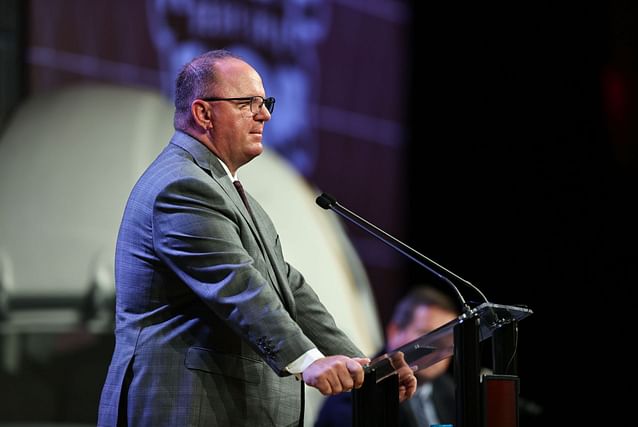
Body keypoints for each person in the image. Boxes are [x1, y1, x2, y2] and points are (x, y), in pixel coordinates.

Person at [96, 49, 416, 427]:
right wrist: (309, 361)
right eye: (247, 103)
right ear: (203, 114)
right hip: (184, 406)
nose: (263, 114)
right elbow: (238, 286)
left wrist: (364, 367)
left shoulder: (224, 186)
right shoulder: (182, 186)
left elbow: (287, 286)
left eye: (265, 102)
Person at [315, 286, 459, 427]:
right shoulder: (356, 388)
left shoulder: (451, 390)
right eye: (428, 336)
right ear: (394, 331)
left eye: (447, 340)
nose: (439, 348)